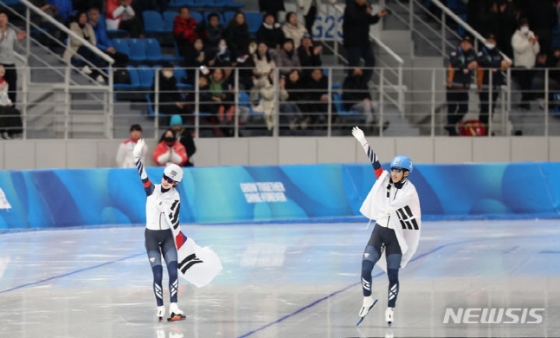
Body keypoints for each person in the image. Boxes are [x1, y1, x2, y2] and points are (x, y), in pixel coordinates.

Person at [351, 126, 421, 327]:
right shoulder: (385, 179)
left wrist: (391, 207)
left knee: (393, 275)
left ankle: (390, 309)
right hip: (379, 231)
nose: (394, 173)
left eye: (398, 170)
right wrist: (364, 142)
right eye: (393, 169)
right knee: (365, 268)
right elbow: (375, 164)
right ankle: (367, 299)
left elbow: (403, 204)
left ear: (406, 173)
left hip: (395, 237)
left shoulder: (410, 191)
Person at [131, 138, 186, 322]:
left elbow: (175, 221)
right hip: (152, 237)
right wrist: (136, 156)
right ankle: (161, 307)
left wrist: (166, 210)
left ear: (175, 183)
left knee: (172, 271)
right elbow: (142, 174)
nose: (166, 181)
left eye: (170, 180)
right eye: (165, 177)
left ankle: (175, 306)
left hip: (167, 236)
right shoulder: (151, 190)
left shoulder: (175, 197)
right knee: (157, 273)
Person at [342, 0, 388, 82]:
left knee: (371, 61)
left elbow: (369, 20)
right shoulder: (350, 7)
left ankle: (363, 82)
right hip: (353, 42)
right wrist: (365, 13)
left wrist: (377, 16)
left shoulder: (364, 7)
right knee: (354, 66)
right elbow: (354, 18)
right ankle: (351, 86)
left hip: (364, 41)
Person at [476, 34, 511, 133]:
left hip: (495, 84)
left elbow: (506, 64)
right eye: (489, 41)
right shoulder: (481, 52)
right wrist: (499, 64)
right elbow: (483, 62)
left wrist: (501, 64)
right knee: (484, 108)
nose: (491, 43)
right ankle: (482, 129)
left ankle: (487, 129)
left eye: (492, 42)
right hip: (484, 84)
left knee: (491, 108)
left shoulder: (498, 53)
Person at [445, 36, 478, 136]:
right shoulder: (454, 52)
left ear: (471, 45)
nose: (465, 44)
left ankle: (451, 124)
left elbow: (478, 62)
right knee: (452, 108)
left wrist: (475, 64)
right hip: (453, 85)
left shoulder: (473, 53)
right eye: (463, 42)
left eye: (467, 43)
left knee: (464, 108)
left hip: (464, 86)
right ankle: (451, 130)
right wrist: (468, 66)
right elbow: (455, 64)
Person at [63, 11, 107, 83]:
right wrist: (87, 43)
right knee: (88, 50)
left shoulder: (88, 26)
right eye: (81, 17)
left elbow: (93, 40)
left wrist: (90, 44)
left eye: (85, 17)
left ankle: (92, 71)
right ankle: (95, 72)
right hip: (76, 49)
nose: (84, 19)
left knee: (96, 55)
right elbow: (75, 41)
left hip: (88, 49)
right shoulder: (73, 26)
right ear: (78, 18)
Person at [343, 67, 383, 132]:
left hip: (363, 102)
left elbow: (367, 93)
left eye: (360, 71)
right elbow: (347, 95)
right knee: (366, 104)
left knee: (375, 104)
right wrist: (361, 100)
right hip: (352, 104)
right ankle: (369, 123)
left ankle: (379, 125)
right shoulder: (347, 81)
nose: (360, 72)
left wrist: (368, 99)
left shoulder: (363, 82)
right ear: (354, 72)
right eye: (358, 71)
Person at [512, 19, 540, 110]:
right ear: (520, 27)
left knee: (528, 86)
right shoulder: (515, 37)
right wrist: (528, 42)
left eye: (527, 26)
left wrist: (534, 43)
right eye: (524, 26)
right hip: (521, 65)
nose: (526, 28)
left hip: (530, 65)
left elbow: (537, 50)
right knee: (524, 86)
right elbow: (519, 49)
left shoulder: (531, 34)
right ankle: (525, 104)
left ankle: (524, 104)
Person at [0, 11, 26, 105]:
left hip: (10, 63)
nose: (1, 19)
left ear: (7, 19)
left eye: (3, 16)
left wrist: (19, 40)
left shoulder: (12, 31)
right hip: (0, 63)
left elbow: (16, 48)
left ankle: (12, 108)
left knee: (12, 87)